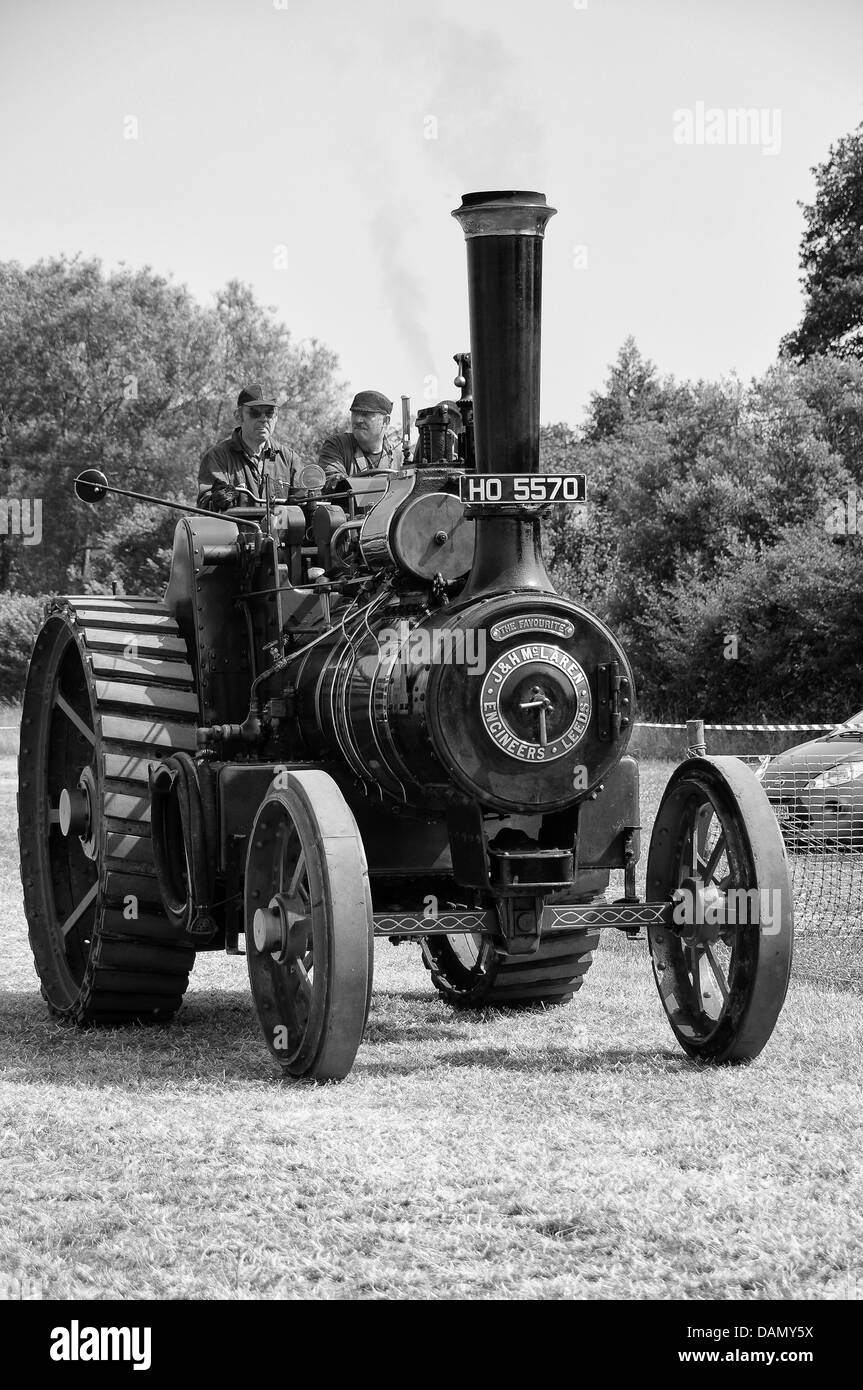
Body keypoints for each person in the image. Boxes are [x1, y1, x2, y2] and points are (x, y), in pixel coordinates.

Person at [197, 384, 299, 511]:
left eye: (269, 413)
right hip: (236, 530)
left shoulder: (289, 459)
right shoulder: (217, 457)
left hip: (279, 531)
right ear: (238, 416)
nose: (263, 419)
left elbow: (304, 506)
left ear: (276, 418)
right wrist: (216, 500)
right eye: (255, 413)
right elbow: (205, 505)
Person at [317, 390, 401, 481]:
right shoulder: (337, 446)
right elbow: (334, 484)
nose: (358, 420)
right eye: (355, 413)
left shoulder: (401, 457)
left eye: (366, 414)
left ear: (386, 421)